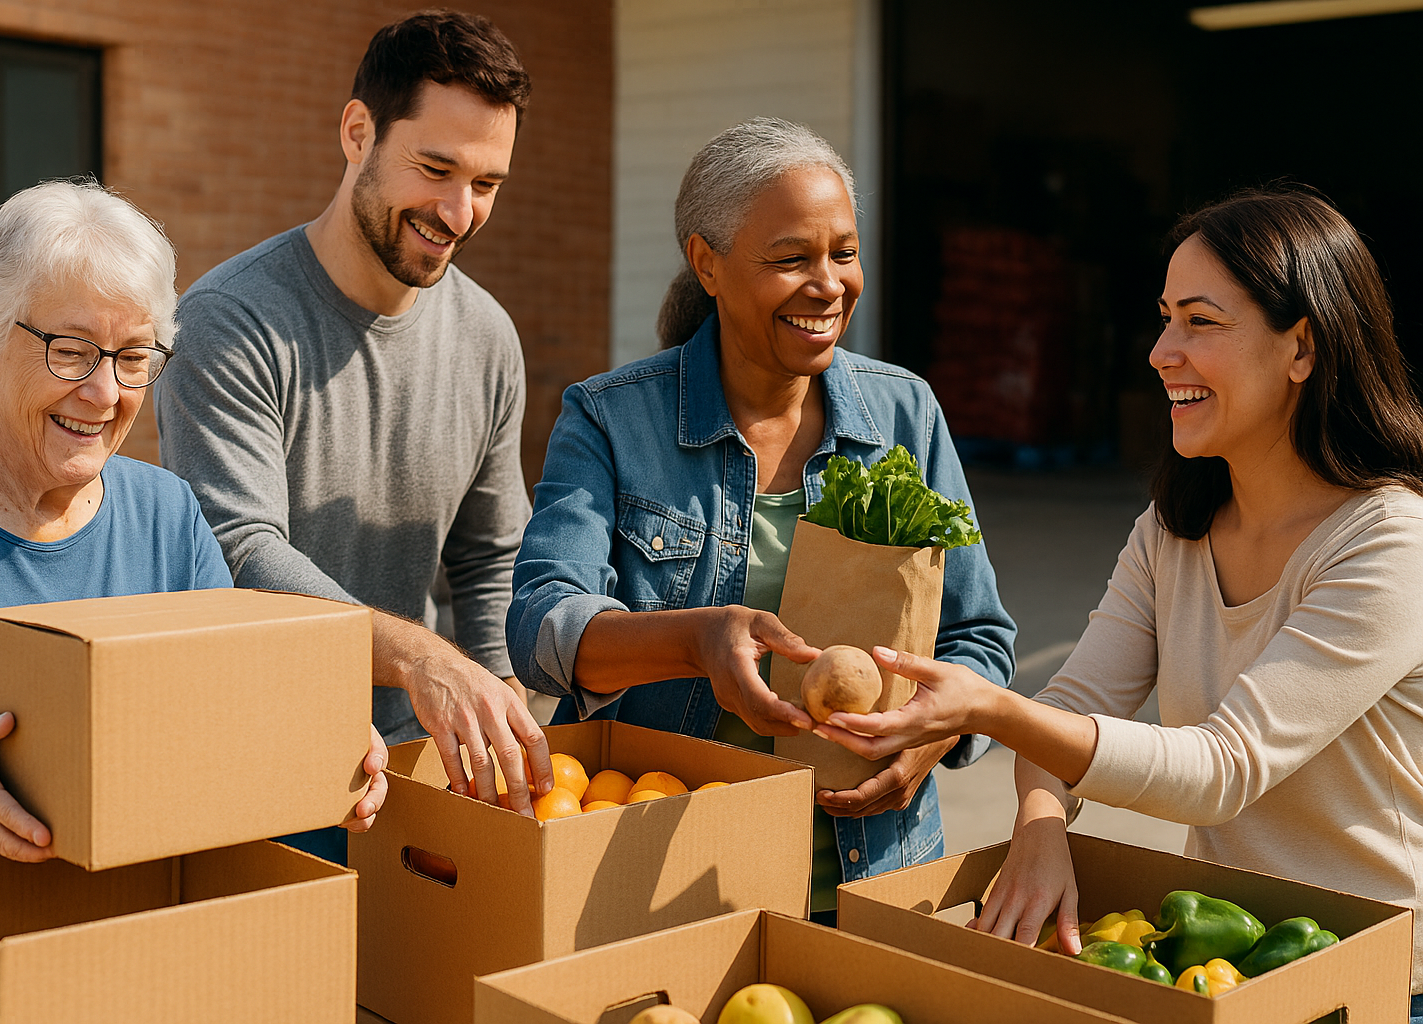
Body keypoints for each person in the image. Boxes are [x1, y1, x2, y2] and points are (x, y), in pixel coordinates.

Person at [812, 188, 1423, 1013]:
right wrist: (1038, 823)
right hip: (1229, 966)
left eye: (1200, 322)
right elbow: (1076, 702)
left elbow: (1221, 768)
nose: (1161, 350)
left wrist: (991, 710)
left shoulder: (1390, 542)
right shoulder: (1177, 528)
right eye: (1165, 317)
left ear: (1302, 348)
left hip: (1376, 980)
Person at [507, 117, 1016, 921]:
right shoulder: (609, 421)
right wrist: (694, 640)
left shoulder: (905, 412)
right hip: (667, 878)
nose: (828, 285)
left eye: (843, 253)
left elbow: (978, 637)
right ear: (706, 263)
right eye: (789, 259)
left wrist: (935, 735)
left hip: (872, 875)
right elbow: (543, 628)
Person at [0, 179, 388, 859]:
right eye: (70, 349)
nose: (104, 393)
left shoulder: (167, 515)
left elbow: (224, 704)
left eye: (132, 357)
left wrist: (313, 731)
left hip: (135, 925)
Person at [153, 10, 552, 821]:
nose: (460, 211)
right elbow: (237, 554)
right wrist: (417, 657)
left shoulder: (487, 338)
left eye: (487, 185)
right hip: (255, 771)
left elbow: (489, 557)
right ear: (357, 131)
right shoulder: (230, 322)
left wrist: (497, 697)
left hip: (419, 768)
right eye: (435, 168)